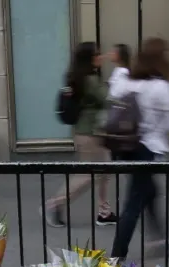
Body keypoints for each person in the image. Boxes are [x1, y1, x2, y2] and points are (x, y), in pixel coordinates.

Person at [109, 38, 169, 260]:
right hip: (148, 149)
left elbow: (112, 104)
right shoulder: (163, 88)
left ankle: (159, 240)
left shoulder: (128, 83)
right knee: (133, 203)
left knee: (149, 192)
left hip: (128, 147)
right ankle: (117, 257)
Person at [45, 42, 117, 227]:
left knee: (105, 171)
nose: (101, 57)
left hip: (89, 132)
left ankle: (104, 212)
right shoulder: (90, 79)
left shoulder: (78, 76)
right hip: (90, 134)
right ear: (90, 58)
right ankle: (54, 204)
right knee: (88, 175)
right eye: (97, 54)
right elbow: (107, 99)